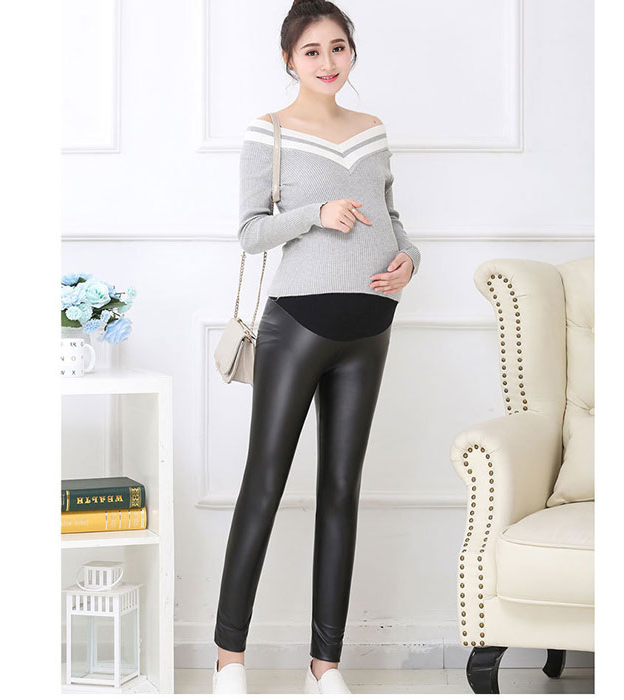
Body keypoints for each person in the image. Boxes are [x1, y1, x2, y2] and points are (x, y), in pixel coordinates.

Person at [213, 0, 421, 694]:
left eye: (339, 48)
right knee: (264, 484)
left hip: (372, 326)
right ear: (288, 60)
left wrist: (410, 259)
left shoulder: (372, 130)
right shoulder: (269, 132)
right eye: (312, 51)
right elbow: (251, 233)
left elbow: (391, 217)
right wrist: (314, 214)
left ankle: (325, 668)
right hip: (296, 325)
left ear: (351, 52)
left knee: (341, 491)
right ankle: (229, 660)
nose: (328, 62)